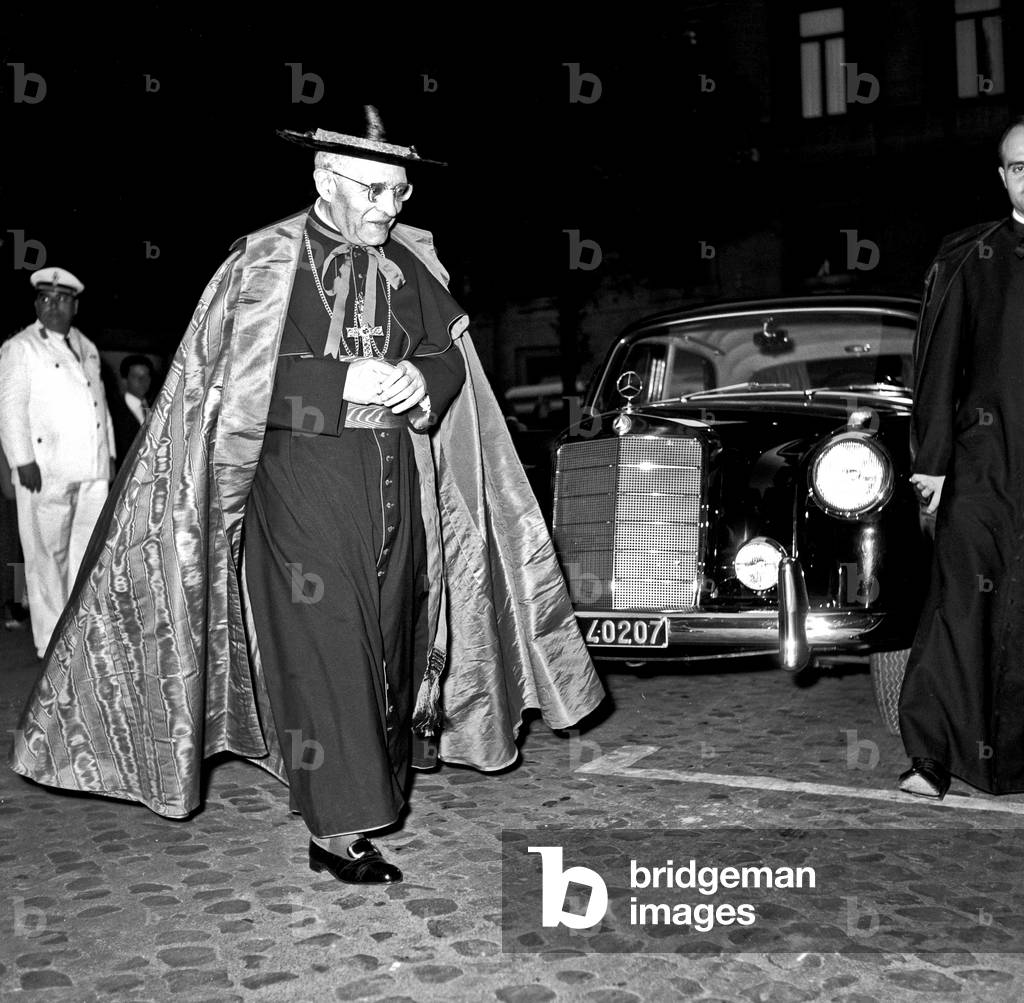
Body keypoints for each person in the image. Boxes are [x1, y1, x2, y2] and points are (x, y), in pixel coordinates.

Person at [9, 108, 604, 883]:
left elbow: (448, 355)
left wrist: (422, 378)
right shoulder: (261, 263)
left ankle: (357, 785)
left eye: (401, 192)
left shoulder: (406, 260)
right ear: (325, 181)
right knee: (330, 647)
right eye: (375, 191)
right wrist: (343, 379)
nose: (391, 208)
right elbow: (227, 385)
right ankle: (338, 828)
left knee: (387, 641)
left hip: (397, 486)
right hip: (300, 489)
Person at [898, 117, 1024, 800]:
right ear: (1003, 177)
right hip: (984, 468)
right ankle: (932, 757)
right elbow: (938, 366)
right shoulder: (969, 255)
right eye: (1018, 166)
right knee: (959, 606)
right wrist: (934, 464)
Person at [0, 268, 115, 660]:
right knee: (46, 558)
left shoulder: (87, 346)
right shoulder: (21, 347)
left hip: (91, 470)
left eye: (62, 300)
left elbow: (100, 407)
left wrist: (109, 458)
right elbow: (10, 408)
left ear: (75, 305)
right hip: (44, 469)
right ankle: (49, 644)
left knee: (85, 556)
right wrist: (22, 460)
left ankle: (77, 636)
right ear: (36, 304)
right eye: (46, 299)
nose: (54, 306)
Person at [109, 354, 155, 466]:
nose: (143, 381)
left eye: (146, 376)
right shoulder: (113, 411)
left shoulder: (155, 406)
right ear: (125, 380)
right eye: (137, 377)